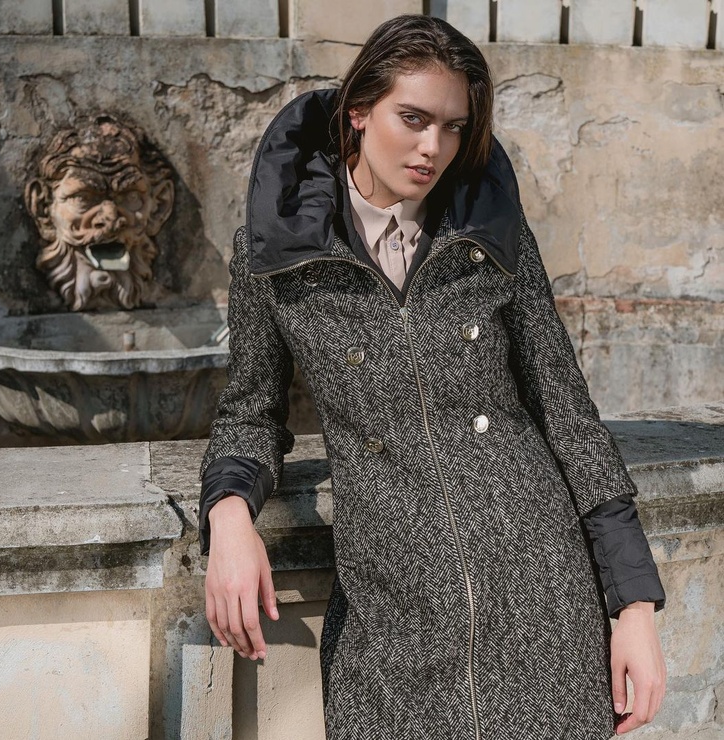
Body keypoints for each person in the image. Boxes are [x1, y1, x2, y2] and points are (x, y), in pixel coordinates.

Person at [199, 14, 667, 740]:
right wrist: (229, 516)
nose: (432, 148)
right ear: (359, 111)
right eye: (412, 119)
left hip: (542, 601)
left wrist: (633, 607)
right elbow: (249, 412)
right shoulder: (278, 248)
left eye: (453, 127)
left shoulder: (491, 232)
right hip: (393, 618)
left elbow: (567, 414)